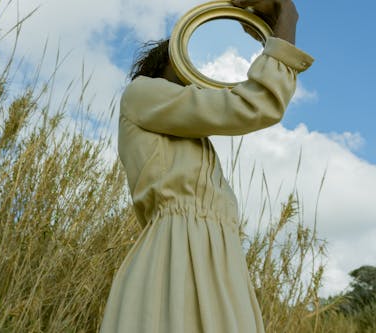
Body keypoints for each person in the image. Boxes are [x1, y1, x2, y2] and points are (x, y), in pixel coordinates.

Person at [100, 0, 313, 332]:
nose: (199, 82)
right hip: (178, 257)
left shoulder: (186, 134)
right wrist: (287, 16)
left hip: (215, 260)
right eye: (189, 65)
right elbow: (255, 104)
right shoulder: (142, 94)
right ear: (174, 58)